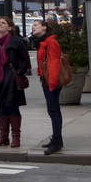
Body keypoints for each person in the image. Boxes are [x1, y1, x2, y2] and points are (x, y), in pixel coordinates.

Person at [0, 17, 31, 148]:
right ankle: (3, 137)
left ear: (9, 28)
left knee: (12, 107)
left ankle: (16, 137)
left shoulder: (17, 41)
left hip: (11, 79)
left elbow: (25, 61)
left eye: (3, 23)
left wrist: (18, 73)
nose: (0, 24)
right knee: (1, 107)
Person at [34, 19, 64, 155]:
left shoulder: (51, 42)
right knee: (52, 110)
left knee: (54, 111)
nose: (33, 27)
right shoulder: (44, 41)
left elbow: (54, 63)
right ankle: (56, 139)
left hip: (51, 82)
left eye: (36, 25)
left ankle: (57, 142)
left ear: (44, 28)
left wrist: (51, 84)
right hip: (46, 80)